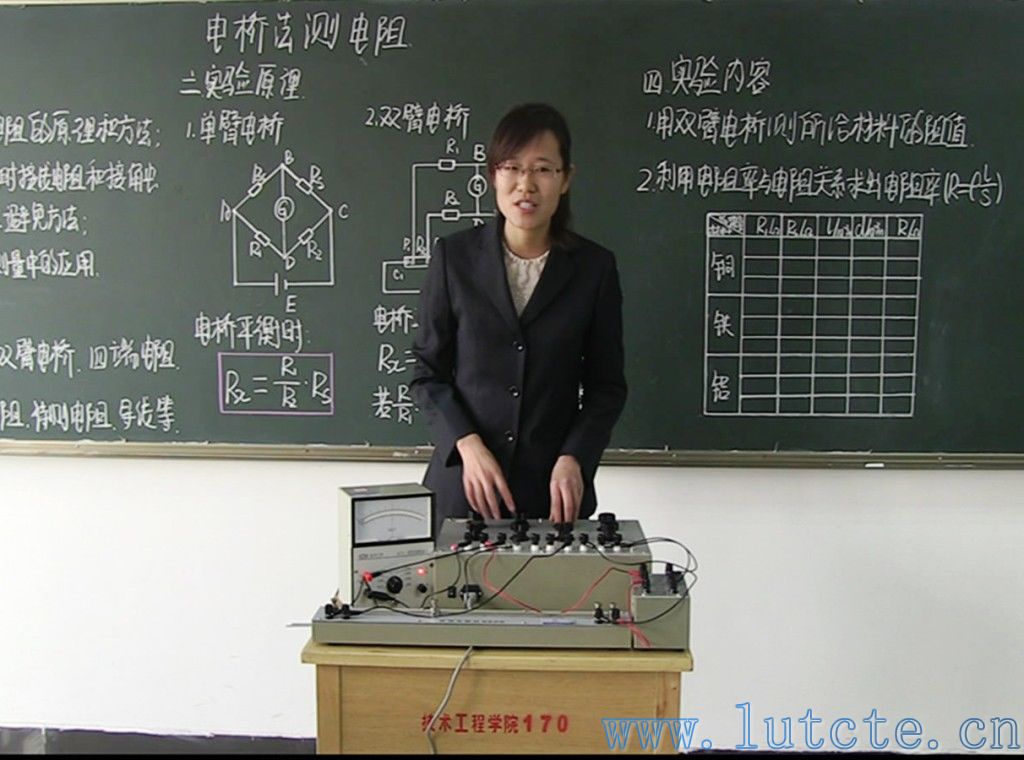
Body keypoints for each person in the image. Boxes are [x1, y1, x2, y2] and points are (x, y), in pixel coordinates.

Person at [411, 102, 626, 534]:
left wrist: (575, 457)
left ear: (566, 178)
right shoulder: (454, 258)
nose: (525, 185)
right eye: (512, 167)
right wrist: (466, 445)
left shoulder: (594, 269)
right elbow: (427, 373)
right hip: (464, 488)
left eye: (543, 169)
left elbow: (606, 386)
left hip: (554, 493)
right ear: (493, 174)